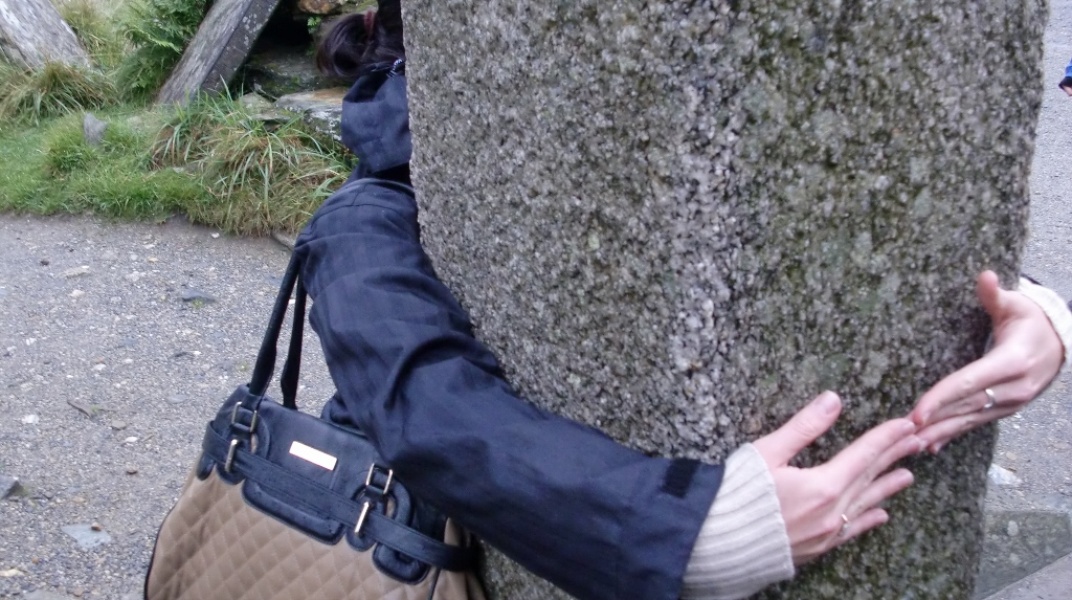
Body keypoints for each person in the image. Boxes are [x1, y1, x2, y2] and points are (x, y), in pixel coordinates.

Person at [295, 3, 1072, 599]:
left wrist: (1022, 308)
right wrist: (687, 528)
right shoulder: (366, 212)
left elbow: (856, 204)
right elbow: (417, 395)